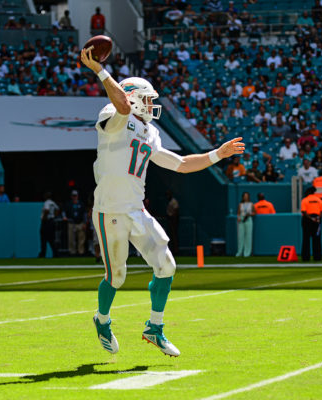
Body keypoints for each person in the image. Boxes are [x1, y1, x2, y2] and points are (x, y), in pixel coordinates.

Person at [81, 47, 245, 357]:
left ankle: (154, 328)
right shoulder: (111, 115)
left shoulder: (150, 131)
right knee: (116, 276)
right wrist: (101, 71)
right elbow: (122, 107)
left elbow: (181, 164)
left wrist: (216, 154)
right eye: (148, 98)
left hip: (136, 209)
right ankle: (102, 320)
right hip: (109, 210)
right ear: (133, 96)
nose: (152, 104)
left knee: (166, 265)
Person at [300, 187, 322, 261]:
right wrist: (318, 218)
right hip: (317, 221)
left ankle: (305, 257)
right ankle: (317, 257)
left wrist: (311, 218)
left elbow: (304, 212)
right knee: (317, 239)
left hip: (307, 220)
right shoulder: (319, 200)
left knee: (306, 239)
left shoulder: (305, 200)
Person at [63, 190, 87, 256]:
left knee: (81, 239)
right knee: (71, 239)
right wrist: (64, 217)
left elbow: (84, 214)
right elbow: (64, 211)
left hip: (80, 223)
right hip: (71, 223)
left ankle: (81, 252)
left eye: (75, 196)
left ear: (77, 196)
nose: (74, 197)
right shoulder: (68, 204)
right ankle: (72, 252)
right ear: (71, 196)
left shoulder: (81, 204)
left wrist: (84, 223)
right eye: (73, 196)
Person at [39, 192, 59, 258]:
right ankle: (55, 253)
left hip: (46, 222)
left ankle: (43, 254)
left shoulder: (47, 202)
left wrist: (44, 218)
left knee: (43, 239)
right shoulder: (53, 203)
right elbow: (57, 209)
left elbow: (47, 210)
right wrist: (54, 216)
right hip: (51, 221)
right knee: (51, 239)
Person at [236, 192, 255, 257]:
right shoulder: (240, 204)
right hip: (241, 220)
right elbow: (238, 213)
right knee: (240, 236)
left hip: (248, 219)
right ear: (242, 197)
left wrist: (249, 214)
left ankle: (247, 253)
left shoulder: (251, 204)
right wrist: (238, 218)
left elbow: (254, 213)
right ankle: (240, 252)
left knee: (248, 236)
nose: (246, 197)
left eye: (247, 196)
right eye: (244, 196)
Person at [166, 190, 179, 256]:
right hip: (170, 220)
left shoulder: (173, 201)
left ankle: (176, 251)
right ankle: (172, 250)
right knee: (171, 236)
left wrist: (174, 220)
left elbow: (176, 210)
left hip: (173, 220)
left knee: (174, 236)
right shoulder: (169, 202)